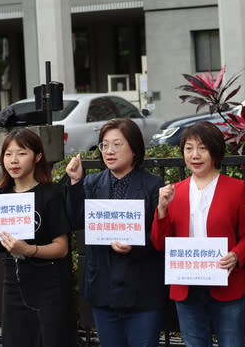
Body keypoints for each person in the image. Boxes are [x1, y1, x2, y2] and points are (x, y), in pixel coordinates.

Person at [0, 128, 75, 347]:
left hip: (50, 286)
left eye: (21, 153)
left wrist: (29, 250)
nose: (13, 160)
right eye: (8, 154)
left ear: (37, 157)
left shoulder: (50, 194)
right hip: (14, 285)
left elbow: (61, 248)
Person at [151, 121, 245, 347]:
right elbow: (159, 243)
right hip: (187, 288)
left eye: (202, 148)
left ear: (215, 151)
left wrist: (237, 255)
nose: (194, 155)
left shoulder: (236, 188)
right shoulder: (173, 192)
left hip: (228, 283)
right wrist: (161, 209)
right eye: (188, 148)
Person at [65, 118, 166, 347]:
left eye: (117, 144)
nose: (109, 151)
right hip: (104, 288)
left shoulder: (153, 184)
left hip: (142, 291)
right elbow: (75, 220)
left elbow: (161, 236)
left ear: (134, 148)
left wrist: (136, 244)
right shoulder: (91, 183)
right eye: (104, 145)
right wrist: (74, 182)